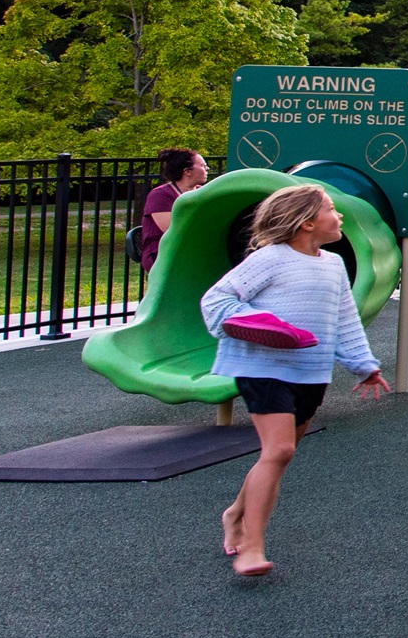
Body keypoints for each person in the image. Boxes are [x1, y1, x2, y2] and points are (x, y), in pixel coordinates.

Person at [202, 184, 388, 578]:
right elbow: (217, 300)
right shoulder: (269, 259)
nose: (338, 217)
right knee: (281, 450)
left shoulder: (334, 265)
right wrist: (258, 324)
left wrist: (363, 364)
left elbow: (344, 319)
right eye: (331, 210)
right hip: (261, 367)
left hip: (310, 371)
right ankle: (251, 548)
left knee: (278, 453)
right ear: (306, 222)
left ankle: (235, 513)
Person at [137, 149, 207, 269]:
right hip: (163, 254)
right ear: (187, 171)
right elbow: (172, 230)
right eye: (202, 165)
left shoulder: (204, 192)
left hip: (194, 250)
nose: (207, 169)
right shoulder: (160, 195)